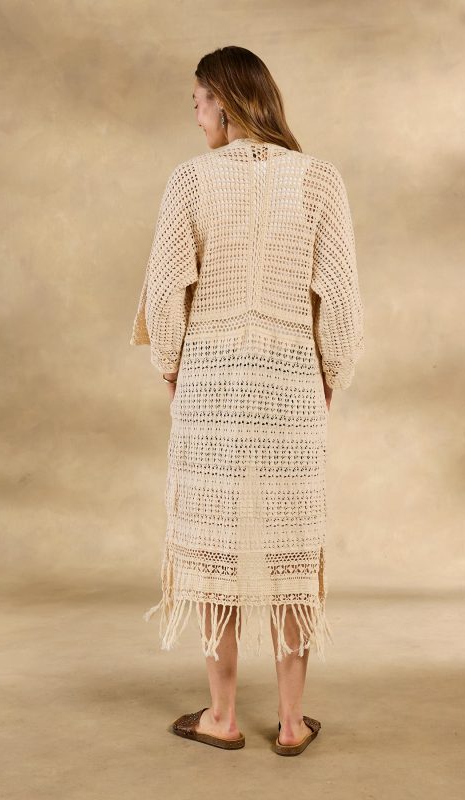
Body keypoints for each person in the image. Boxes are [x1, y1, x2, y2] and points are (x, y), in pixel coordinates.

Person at [130, 45, 364, 755]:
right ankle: (291, 724)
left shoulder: (190, 180)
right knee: (293, 545)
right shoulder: (319, 180)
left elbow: (165, 293)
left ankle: (223, 716)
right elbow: (341, 302)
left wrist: (172, 369)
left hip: (212, 382)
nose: (196, 115)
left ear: (225, 101)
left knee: (215, 547)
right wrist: (329, 377)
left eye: (199, 101)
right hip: (291, 383)